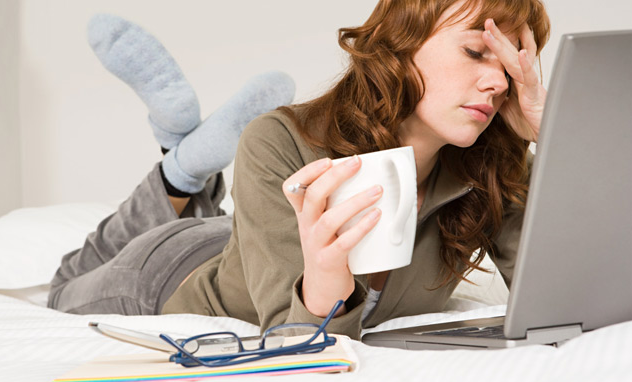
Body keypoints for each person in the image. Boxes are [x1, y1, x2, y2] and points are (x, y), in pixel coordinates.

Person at [49, 0, 551, 341]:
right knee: (64, 285)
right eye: (475, 51)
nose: (498, 82)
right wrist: (327, 278)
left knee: (223, 227)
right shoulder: (279, 139)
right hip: (170, 270)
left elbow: (558, 295)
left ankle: (186, 163)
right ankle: (179, 172)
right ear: (400, 43)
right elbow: (293, 343)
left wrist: (549, 132)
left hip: (249, 240)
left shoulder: (494, 167)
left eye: (510, 66)